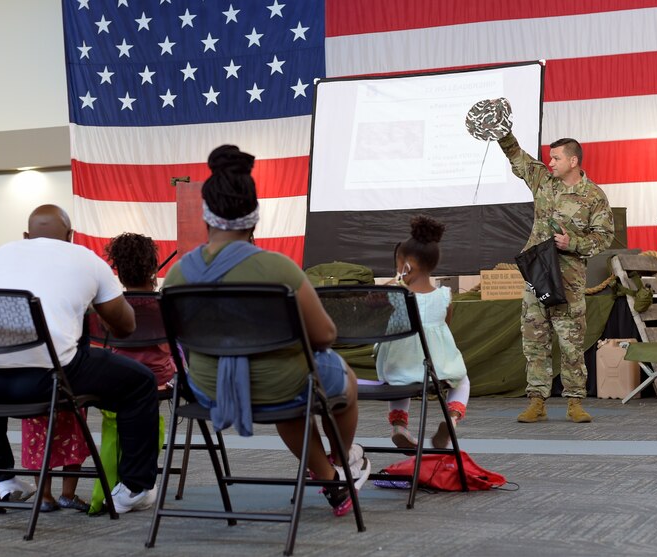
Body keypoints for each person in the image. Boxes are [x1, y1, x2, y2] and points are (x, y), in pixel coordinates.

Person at [162, 145, 370, 517]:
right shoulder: (278, 269)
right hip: (281, 388)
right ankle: (342, 459)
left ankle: (330, 479)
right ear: (254, 219)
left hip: (209, 391)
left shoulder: (178, 275)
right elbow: (324, 337)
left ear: (206, 217)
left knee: (292, 391)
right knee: (339, 382)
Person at [0, 204, 160, 514]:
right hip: (47, 380)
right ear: (70, 236)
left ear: (26, 236)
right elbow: (126, 327)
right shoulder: (86, 259)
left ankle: (3, 479)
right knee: (141, 383)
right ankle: (135, 487)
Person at [497, 126, 614, 423]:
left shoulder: (593, 196)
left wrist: (571, 243)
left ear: (573, 161)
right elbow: (518, 158)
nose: (550, 163)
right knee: (534, 341)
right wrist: (502, 134)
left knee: (570, 342)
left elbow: (604, 237)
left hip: (569, 280)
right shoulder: (543, 182)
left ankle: (575, 402)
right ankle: (537, 401)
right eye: (550, 158)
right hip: (537, 275)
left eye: (556, 158)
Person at [375, 215, 470, 449]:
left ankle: (399, 426)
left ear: (403, 264)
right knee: (462, 380)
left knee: (400, 379)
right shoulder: (445, 295)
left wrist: (396, 279)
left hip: (398, 368)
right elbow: (445, 327)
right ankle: (452, 418)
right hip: (436, 370)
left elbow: (370, 301)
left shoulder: (394, 295)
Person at [105, 232, 175, 388]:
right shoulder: (165, 306)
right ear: (153, 268)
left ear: (120, 274)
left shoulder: (111, 307)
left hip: (120, 374)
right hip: (160, 375)